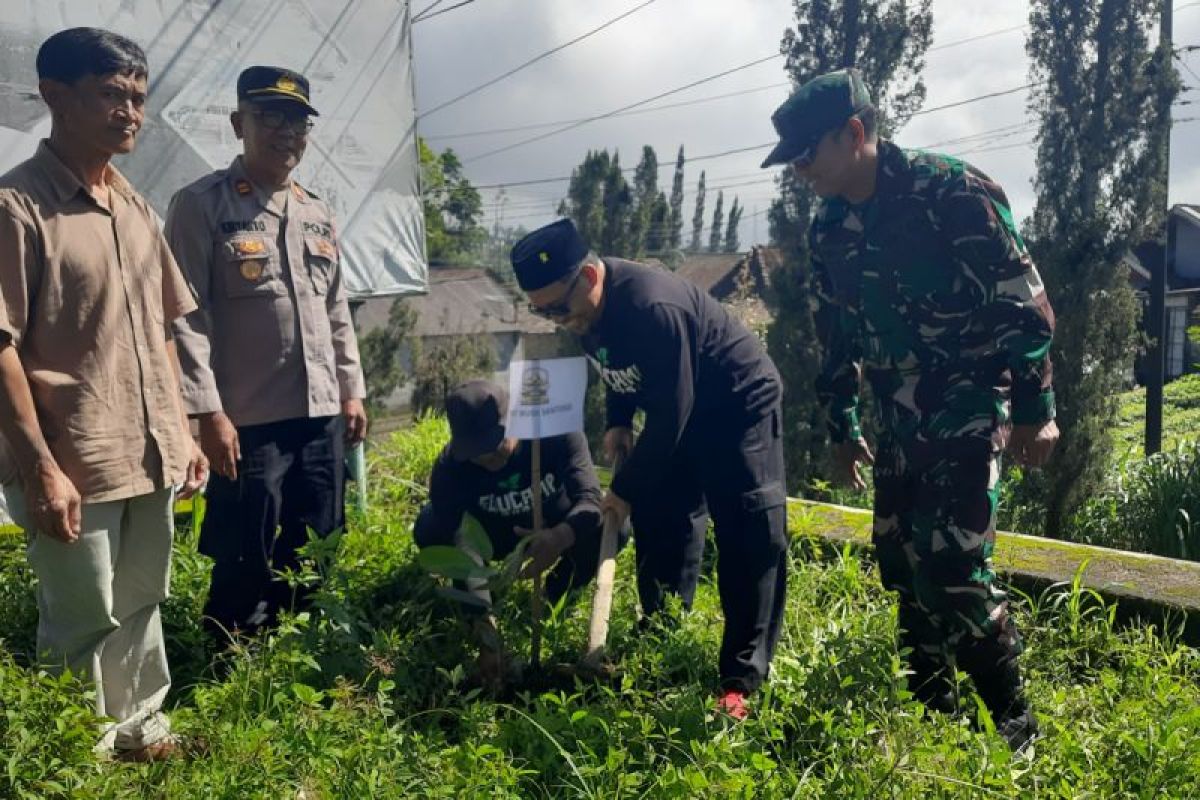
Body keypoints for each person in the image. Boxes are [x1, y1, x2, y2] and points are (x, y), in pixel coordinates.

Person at [762, 68, 1058, 752]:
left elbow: (1026, 303)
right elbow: (831, 332)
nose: (799, 171)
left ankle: (1019, 733)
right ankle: (931, 715)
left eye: (807, 154)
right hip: (896, 407)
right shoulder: (829, 227)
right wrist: (844, 426)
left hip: (971, 398)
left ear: (856, 133)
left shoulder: (953, 193)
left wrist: (1039, 406)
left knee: (953, 565)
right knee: (902, 562)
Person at [0, 27, 207, 762]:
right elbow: (1, 349)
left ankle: (140, 734)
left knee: (141, 601)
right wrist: (38, 466)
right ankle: (73, 758)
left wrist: (182, 429)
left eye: (139, 99)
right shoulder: (18, 207)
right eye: (111, 94)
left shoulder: (137, 209)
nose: (129, 113)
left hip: (148, 451)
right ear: (55, 95)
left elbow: (161, 330)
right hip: (73, 454)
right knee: (79, 615)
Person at [510, 219, 789, 720]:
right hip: (676, 406)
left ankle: (741, 680)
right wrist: (618, 420)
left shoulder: (651, 307)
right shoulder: (585, 313)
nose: (555, 319)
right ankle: (662, 628)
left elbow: (672, 413)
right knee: (666, 518)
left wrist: (623, 488)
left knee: (748, 532)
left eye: (557, 307)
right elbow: (621, 366)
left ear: (590, 278)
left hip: (736, 407)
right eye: (541, 310)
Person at [165, 66, 367, 643]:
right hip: (246, 418)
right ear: (238, 123)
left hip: (320, 412)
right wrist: (206, 411)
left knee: (318, 538)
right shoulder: (201, 204)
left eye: (298, 120)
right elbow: (185, 315)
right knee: (245, 545)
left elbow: (336, 307)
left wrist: (351, 389)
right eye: (270, 116)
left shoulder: (317, 209)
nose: (286, 131)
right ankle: (229, 664)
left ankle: (296, 649)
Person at [414, 379, 624, 685]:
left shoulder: (554, 434)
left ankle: (555, 591)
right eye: (478, 450)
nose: (489, 457)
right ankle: (486, 598)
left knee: (613, 528)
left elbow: (590, 500)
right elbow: (458, 542)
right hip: (494, 537)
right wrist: (484, 627)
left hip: (555, 524)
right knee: (430, 526)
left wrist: (558, 538)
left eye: (496, 442)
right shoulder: (451, 469)